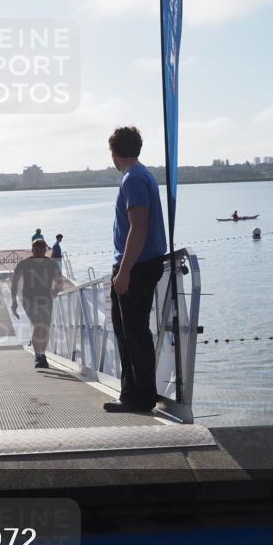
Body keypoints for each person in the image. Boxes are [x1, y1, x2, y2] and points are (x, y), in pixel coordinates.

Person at [105, 126, 168, 413]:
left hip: (138, 266)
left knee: (133, 334)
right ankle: (133, 393)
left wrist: (124, 272)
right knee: (130, 332)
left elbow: (138, 229)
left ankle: (139, 398)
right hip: (142, 264)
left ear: (114, 152)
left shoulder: (132, 179)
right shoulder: (143, 176)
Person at [11, 238, 64, 368]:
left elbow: (59, 281)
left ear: (45, 250)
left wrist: (56, 291)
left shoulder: (52, 264)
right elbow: (14, 282)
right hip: (29, 298)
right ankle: (37, 356)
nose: (39, 252)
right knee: (38, 323)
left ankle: (42, 353)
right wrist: (14, 302)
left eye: (41, 249)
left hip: (46, 298)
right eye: (36, 249)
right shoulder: (23, 264)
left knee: (45, 327)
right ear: (32, 250)